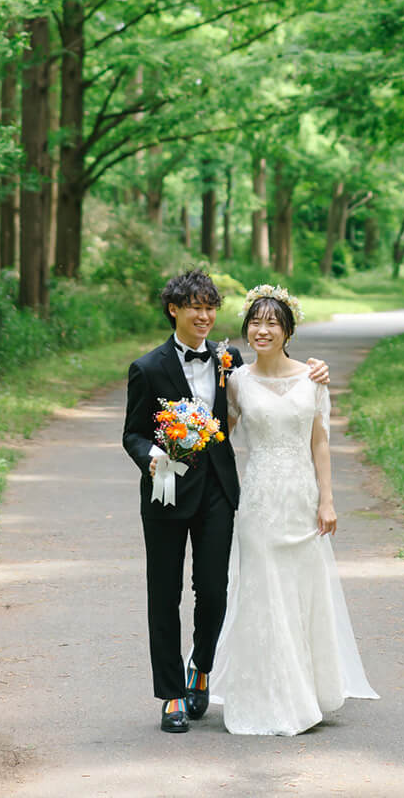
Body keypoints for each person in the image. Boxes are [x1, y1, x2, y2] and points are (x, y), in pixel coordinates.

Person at [121, 269, 330, 734]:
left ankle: (202, 666)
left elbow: (273, 376)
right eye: (194, 306)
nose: (204, 315)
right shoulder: (148, 368)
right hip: (167, 493)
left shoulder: (228, 359)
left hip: (218, 490)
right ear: (173, 310)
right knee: (164, 592)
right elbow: (132, 432)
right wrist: (153, 456)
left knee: (214, 590)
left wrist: (317, 370)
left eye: (210, 307)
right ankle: (172, 694)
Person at [211, 285, 378, 735]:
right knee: (263, 593)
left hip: (301, 499)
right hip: (260, 503)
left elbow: (320, 440)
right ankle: (267, 695)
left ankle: (305, 689)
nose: (262, 331)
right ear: (246, 328)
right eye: (255, 322)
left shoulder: (313, 378)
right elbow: (219, 437)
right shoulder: (237, 380)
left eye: (273, 324)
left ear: (288, 332)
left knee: (301, 591)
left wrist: (327, 499)